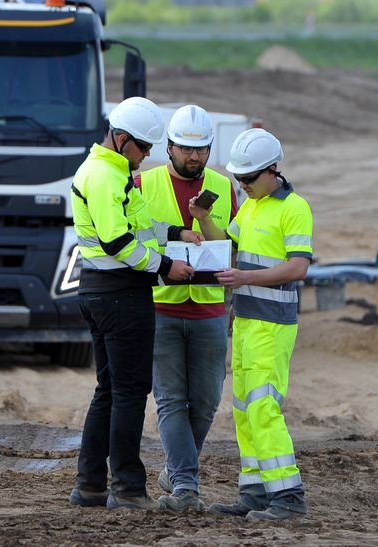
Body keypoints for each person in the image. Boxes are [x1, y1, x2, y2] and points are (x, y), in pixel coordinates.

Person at [67, 96, 199, 511]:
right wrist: (165, 267)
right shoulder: (106, 177)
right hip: (120, 293)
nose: (146, 156)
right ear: (121, 139)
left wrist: (176, 232)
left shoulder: (111, 171)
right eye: (142, 147)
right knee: (128, 392)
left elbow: (140, 224)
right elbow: (119, 241)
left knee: (108, 390)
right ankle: (126, 487)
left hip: (103, 291)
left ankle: (89, 484)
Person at [189, 128, 313, 521]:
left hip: (273, 325)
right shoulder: (252, 206)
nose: (242, 185)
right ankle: (256, 492)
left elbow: (298, 267)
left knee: (263, 408)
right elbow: (229, 246)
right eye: (238, 179)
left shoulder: (294, 207)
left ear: (272, 171)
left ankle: (288, 496)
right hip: (244, 322)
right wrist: (204, 220)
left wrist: (244, 279)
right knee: (244, 409)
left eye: (248, 179)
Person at [136, 105, 238, 512]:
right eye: (186, 149)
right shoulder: (143, 184)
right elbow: (136, 244)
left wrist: (205, 219)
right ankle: (186, 486)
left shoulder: (223, 186)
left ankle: (178, 469)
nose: (194, 157)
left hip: (210, 309)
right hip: (162, 307)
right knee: (171, 400)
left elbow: (230, 244)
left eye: (201, 149)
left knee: (208, 400)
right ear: (169, 146)